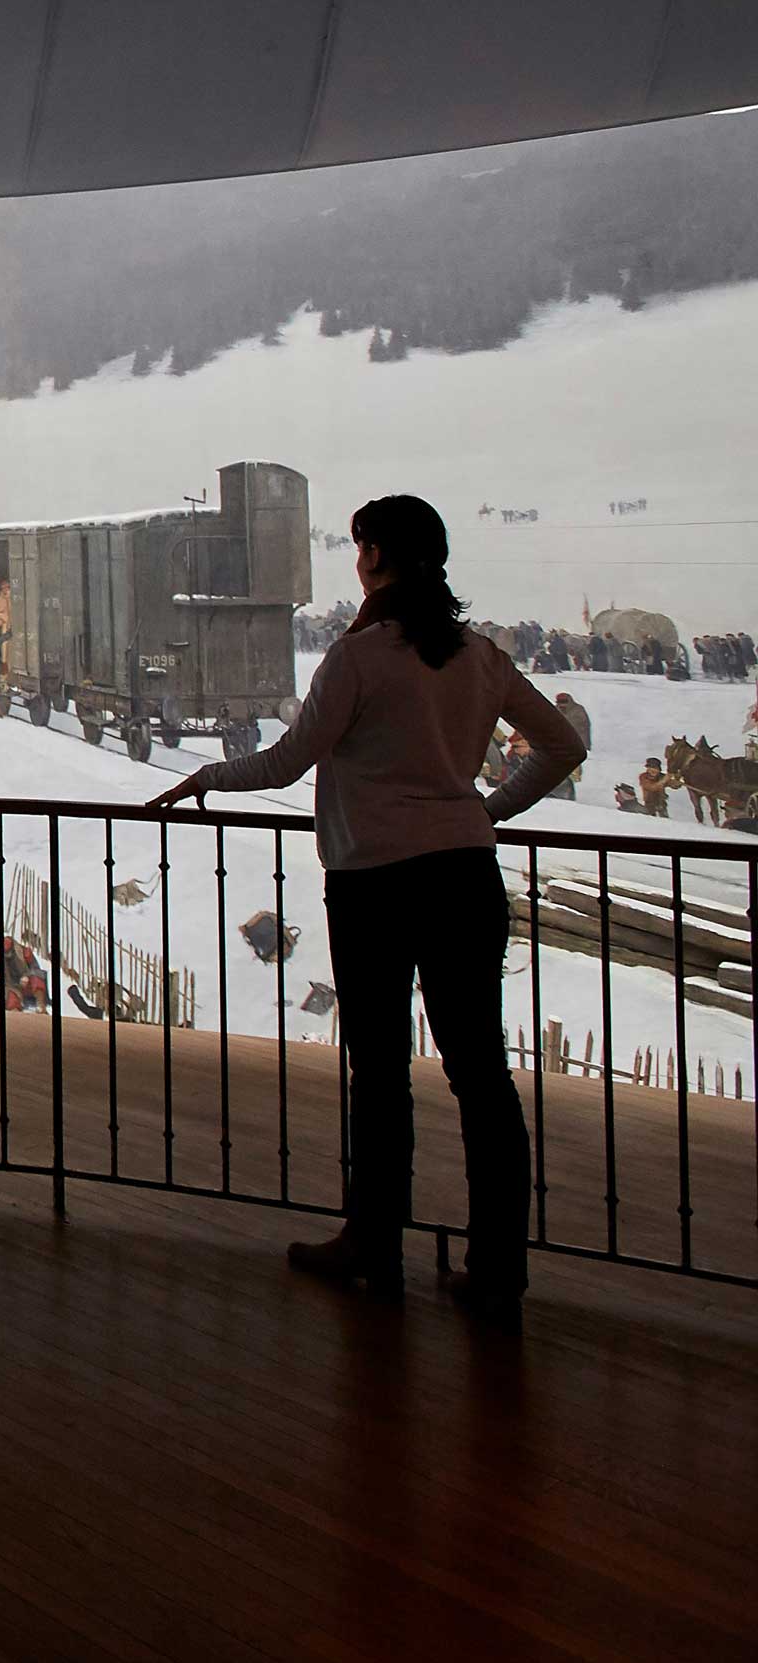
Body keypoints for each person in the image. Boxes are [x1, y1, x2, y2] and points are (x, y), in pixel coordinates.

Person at [151, 494, 580, 1323]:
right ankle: (497, 1269)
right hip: (464, 878)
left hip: (375, 885)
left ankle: (374, 1242)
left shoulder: (358, 660)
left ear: (375, 557)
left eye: (358, 548)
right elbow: (565, 746)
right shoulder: (480, 657)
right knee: (481, 1076)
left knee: (380, 1074)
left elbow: (286, 763)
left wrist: (206, 778)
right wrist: (485, 810)